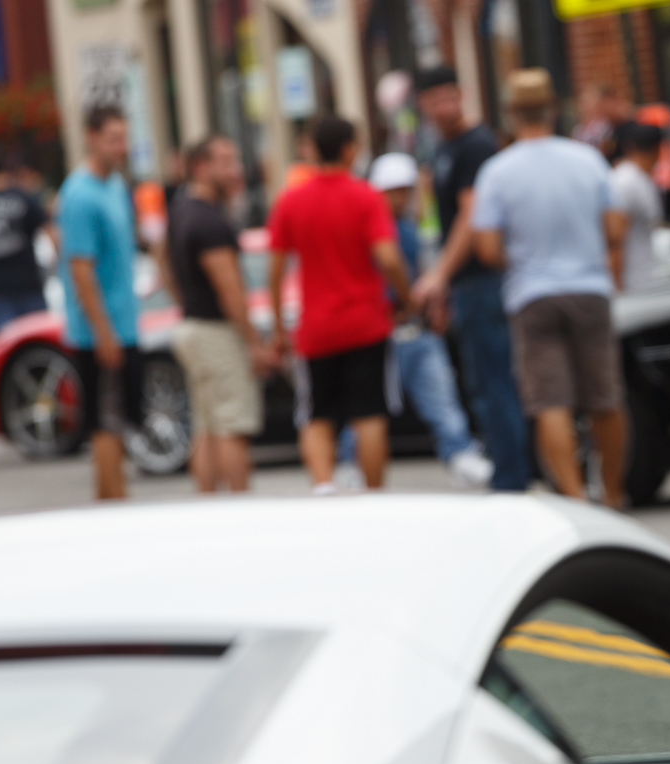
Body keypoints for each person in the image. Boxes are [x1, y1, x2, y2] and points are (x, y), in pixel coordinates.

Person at [471, 68, 629, 508]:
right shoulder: (587, 159)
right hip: (589, 286)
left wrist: (520, 256)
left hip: (531, 292)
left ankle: (575, 497)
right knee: (604, 397)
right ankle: (613, 493)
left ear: (509, 114)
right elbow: (615, 227)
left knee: (550, 400)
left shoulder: (497, 172)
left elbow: (486, 247)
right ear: (553, 109)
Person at [266, 115, 414, 493]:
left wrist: (280, 330)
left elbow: (275, 269)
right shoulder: (366, 197)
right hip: (365, 320)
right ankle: (373, 491)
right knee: (369, 413)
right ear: (349, 149)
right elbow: (389, 257)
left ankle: (323, 485)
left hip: (316, 326)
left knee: (316, 413)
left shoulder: (291, 200)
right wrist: (406, 298)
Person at [336, 153, 490, 489]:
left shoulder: (411, 227)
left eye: (405, 191)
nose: (400, 198)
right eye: (393, 191)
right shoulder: (370, 227)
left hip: (413, 330)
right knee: (366, 407)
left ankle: (459, 452)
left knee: (439, 396)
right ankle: (349, 462)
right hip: (383, 328)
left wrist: (430, 306)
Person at [411, 64, 530, 492]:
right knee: (481, 380)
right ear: (422, 104)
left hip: (483, 280)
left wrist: (439, 274)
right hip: (465, 283)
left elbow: (471, 213)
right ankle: (507, 465)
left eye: (450, 95)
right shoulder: (442, 149)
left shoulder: (474, 146)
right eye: (434, 98)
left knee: (495, 380)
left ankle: (512, 474)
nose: (444, 105)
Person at [168, 135, 276, 493]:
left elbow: (161, 264)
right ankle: (238, 507)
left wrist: (183, 301)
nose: (235, 170)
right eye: (226, 162)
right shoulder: (210, 221)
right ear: (201, 167)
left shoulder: (182, 210)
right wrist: (253, 343)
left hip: (192, 325)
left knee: (207, 426)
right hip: (216, 331)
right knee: (232, 426)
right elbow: (230, 288)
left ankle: (208, 506)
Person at [58, 106, 141, 501]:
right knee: (104, 421)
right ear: (90, 138)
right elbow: (80, 269)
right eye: (113, 139)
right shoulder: (79, 195)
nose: (121, 147)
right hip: (99, 331)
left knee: (122, 418)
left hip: (125, 321)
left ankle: (117, 495)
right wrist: (103, 331)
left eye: (124, 138)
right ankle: (111, 503)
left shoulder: (115, 186)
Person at [0, 153, 53, 332]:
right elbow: (51, 231)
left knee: (7, 350)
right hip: (28, 284)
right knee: (38, 342)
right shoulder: (23, 197)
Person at [609, 123, 664, 292]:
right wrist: (618, 289)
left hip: (645, 281)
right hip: (632, 285)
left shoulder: (641, 179)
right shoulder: (625, 182)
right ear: (658, 149)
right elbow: (614, 239)